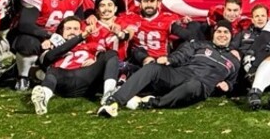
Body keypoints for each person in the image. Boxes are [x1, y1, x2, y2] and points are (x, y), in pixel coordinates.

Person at [99, 21, 241, 114]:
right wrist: (169, 60)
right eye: (219, 32)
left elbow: (233, 82)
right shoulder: (200, 44)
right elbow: (183, 53)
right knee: (153, 68)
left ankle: (154, 102)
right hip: (182, 73)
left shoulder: (234, 60)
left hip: (201, 84)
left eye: (226, 32)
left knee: (193, 85)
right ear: (213, 34)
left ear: (231, 36)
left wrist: (228, 85)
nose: (222, 35)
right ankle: (114, 101)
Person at [29, 16, 123, 116]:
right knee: (52, 70)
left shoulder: (90, 45)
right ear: (61, 31)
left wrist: (95, 60)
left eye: (76, 29)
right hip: (64, 80)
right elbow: (49, 57)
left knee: (112, 54)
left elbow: (105, 57)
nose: (72, 31)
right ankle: (44, 97)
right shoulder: (52, 45)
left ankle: (108, 95)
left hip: (87, 77)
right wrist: (80, 37)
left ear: (81, 30)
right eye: (68, 29)